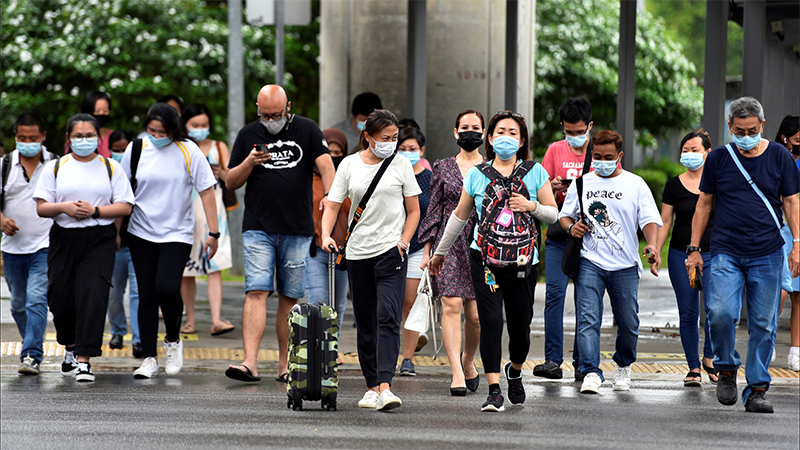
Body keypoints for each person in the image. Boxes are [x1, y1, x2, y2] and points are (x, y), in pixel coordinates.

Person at [430, 110, 559, 412]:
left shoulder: (535, 171)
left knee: (520, 328)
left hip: (523, 263)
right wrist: (440, 252)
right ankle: (493, 389)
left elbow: (554, 214)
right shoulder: (477, 174)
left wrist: (532, 205)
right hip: (484, 260)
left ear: (522, 139)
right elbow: (459, 217)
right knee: (490, 322)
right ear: (490, 139)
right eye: (499, 132)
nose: (506, 138)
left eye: (512, 133)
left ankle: (514, 370)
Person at [687, 97, 799, 413]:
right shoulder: (720, 158)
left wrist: (798, 243)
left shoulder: (779, 156)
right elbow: (704, 204)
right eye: (739, 130)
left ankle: (757, 389)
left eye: (752, 130)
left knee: (764, 324)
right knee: (720, 312)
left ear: (762, 126)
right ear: (729, 128)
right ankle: (725, 367)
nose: (746, 136)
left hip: (767, 252)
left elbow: (791, 203)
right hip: (726, 251)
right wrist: (694, 250)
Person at [224, 85, 334, 383]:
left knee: (290, 296)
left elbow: (326, 165)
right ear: (257, 110)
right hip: (258, 226)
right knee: (256, 291)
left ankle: (286, 365)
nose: (270, 120)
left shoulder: (307, 129)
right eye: (264, 115)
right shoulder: (249, 134)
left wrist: (330, 196)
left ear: (288, 108)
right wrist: (249, 161)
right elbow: (231, 181)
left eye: (276, 115)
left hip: (296, 227)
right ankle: (250, 362)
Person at [321, 109, 421, 411]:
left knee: (387, 316)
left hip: (391, 251)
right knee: (365, 322)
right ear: (367, 136)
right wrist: (326, 234)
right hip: (357, 253)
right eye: (385, 138)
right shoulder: (349, 165)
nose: (391, 143)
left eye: (395, 138)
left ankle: (386, 386)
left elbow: (414, 210)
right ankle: (371, 386)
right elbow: (333, 205)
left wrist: (403, 242)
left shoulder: (401, 164)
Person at [559, 130, 662, 395]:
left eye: (608, 157)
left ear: (620, 156)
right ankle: (591, 371)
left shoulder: (635, 184)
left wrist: (652, 244)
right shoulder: (582, 183)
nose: (602, 162)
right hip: (590, 262)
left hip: (625, 265)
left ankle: (624, 365)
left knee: (628, 321)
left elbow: (649, 219)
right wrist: (572, 228)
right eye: (597, 156)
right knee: (588, 319)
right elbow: (564, 216)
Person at [33, 113, 135, 382]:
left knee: (93, 293)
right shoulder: (55, 167)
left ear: (98, 138)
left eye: (89, 135)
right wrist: (64, 207)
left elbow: (125, 205)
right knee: (60, 297)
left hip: (99, 238)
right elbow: (42, 207)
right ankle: (69, 346)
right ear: (68, 139)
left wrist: (96, 211)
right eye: (78, 136)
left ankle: (84, 360)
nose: (84, 140)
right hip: (63, 238)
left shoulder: (111, 167)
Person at [122, 103, 219, 379]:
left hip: (177, 233)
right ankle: (149, 357)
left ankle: (173, 340)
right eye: (151, 130)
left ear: (174, 130)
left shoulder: (189, 151)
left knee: (166, 287)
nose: (156, 135)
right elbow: (124, 191)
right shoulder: (137, 149)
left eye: (162, 131)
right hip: (141, 231)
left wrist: (214, 233)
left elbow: (207, 191)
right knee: (146, 293)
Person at [418, 109, 485, 395]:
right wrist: (427, 251)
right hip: (449, 246)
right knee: (451, 306)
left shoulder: (493, 166)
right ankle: (456, 371)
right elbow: (434, 211)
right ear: (456, 133)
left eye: (476, 127)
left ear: (484, 134)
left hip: (483, 245)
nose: (470, 132)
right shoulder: (442, 167)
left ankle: (468, 360)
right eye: (464, 127)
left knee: (476, 316)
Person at [536, 96, 594, 381]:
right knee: (554, 295)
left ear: (590, 126)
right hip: (560, 234)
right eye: (568, 131)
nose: (573, 137)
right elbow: (540, 189)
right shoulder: (555, 150)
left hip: (590, 238)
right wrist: (553, 185)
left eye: (579, 131)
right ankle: (552, 360)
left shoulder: (600, 152)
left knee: (585, 298)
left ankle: (581, 361)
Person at [655, 130, 716, 386]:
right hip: (681, 254)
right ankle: (693, 367)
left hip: (714, 253)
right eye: (685, 150)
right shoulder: (673, 185)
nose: (689, 155)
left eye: (694, 150)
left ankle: (710, 358)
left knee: (715, 310)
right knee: (689, 312)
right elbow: (665, 221)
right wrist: (656, 250)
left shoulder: (717, 181)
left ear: (707, 152)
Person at [1, 113, 56, 375]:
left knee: (36, 299)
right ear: (15, 137)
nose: (27, 143)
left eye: (33, 138)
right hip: (12, 248)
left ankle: (32, 355)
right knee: (18, 304)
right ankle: (31, 342)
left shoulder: (56, 164)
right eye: (22, 138)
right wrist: (1, 220)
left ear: (43, 137)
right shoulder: (4, 165)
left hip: (45, 245)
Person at [179, 103, 236, 336]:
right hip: (186, 213)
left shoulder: (218, 147)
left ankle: (216, 319)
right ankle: (190, 320)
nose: (200, 129)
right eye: (195, 125)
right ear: (185, 125)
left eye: (204, 125)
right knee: (186, 270)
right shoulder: (180, 147)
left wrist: (220, 173)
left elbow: (232, 177)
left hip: (214, 215)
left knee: (215, 267)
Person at [304, 128, 351, 333]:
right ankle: (318, 349)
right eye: (327, 152)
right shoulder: (305, 179)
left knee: (338, 304)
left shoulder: (351, 179)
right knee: (318, 303)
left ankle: (331, 349)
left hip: (342, 250)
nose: (332, 158)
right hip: (313, 249)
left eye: (337, 152)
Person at [395, 127, 432, 377]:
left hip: (417, 247)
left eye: (413, 149)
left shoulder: (430, 178)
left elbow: (433, 217)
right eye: (402, 149)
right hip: (387, 245)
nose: (408, 153)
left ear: (422, 150)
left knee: (410, 302)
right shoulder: (389, 174)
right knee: (387, 304)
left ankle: (407, 358)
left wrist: (429, 249)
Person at [105, 129, 142, 355]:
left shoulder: (141, 172)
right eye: (115, 150)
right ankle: (117, 331)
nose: (119, 154)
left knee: (139, 292)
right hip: (115, 242)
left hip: (139, 240)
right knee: (113, 291)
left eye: (123, 150)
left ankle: (139, 338)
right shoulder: (107, 172)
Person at [775, 115, 800, 372]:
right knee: (779, 292)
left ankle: (796, 351)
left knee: (799, 295)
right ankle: (767, 342)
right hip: (780, 232)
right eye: (797, 140)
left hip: (799, 232)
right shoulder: (775, 159)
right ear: (785, 138)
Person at [65, 90, 113, 158]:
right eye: (97, 111)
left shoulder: (114, 136)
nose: (101, 113)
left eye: (105, 110)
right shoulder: (76, 137)